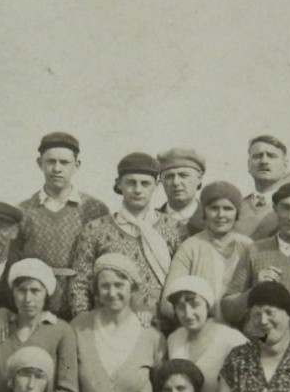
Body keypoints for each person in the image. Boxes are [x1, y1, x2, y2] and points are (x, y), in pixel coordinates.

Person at [72, 253, 166, 392]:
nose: (112, 292)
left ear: (132, 288)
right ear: (96, 290)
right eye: (105, 286)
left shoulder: (151, 336)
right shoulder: (78, 328)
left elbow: (162, 386)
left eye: (119, 284)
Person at [69, 152, 184, 319]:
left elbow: (183, 283)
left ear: (157, 185)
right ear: (119, 184)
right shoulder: (95, 230)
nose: (138, 190)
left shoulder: (175, 229)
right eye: (131, 182)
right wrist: (85, 325)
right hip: (108, 326)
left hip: (163, 328)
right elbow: (79, 284)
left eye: (145, 183)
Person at [16, 131, 111, 317]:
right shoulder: (23, 211)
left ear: (77, 165)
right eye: (50, 162)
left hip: (84, 307)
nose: (57, 169)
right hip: (36, 309)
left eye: (64, 162)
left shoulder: (95, 209)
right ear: (39, 163)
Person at [0, 258, 80, 392]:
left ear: (46, 293)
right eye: (21, 290)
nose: (28, 299)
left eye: (35, 291)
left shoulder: (62, 331)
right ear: (13, 293)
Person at [222, 181, 290, 326]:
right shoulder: (254, 250)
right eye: (285, 208)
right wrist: (255, 290)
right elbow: (228, 310)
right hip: (257, 341)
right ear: (275, 209)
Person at [159, 182, 253, 323]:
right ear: (204, 211)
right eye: (214, 208)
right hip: (199, 331)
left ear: (237, 213)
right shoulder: (190, 247)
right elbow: (167, 303)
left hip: (241, 331)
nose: (221, 215)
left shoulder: (249, 246)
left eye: (228, 208)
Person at [162, 275, 248, 392]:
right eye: (180, 307)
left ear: (207, 305)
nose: (188, 314)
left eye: (194, 304)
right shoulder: (174, 339)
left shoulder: (233, 340)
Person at [234, 134, 290, 237]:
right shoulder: (235, 208)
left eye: (271, 156)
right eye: (257, 156)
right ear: (249, 165)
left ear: (285, 165)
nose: (264, 161)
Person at [156, 148, 206, 233]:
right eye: (169, 176)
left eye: (183, 175)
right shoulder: (149, 221)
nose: (176, 182)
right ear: (161, 180)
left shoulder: (215, 221)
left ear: (199, 179)